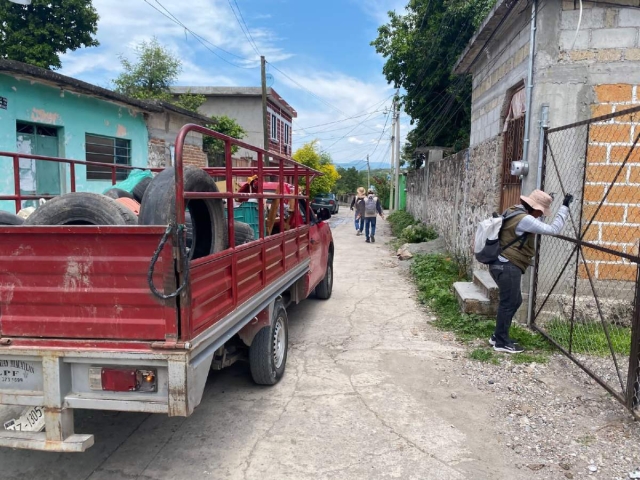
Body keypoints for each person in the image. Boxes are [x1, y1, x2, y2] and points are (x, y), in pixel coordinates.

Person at [489, 189, 573, 354]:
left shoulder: (514, 210)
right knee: (509, 303)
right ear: (534, 208)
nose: (540, 214)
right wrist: (564, 207)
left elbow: (533, 223)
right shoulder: (525, 219)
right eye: (541, 211)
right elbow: (553, 229)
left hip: (500, 263)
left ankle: (498, 336)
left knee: (515, 301)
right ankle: (501, 341)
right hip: (507, 266)